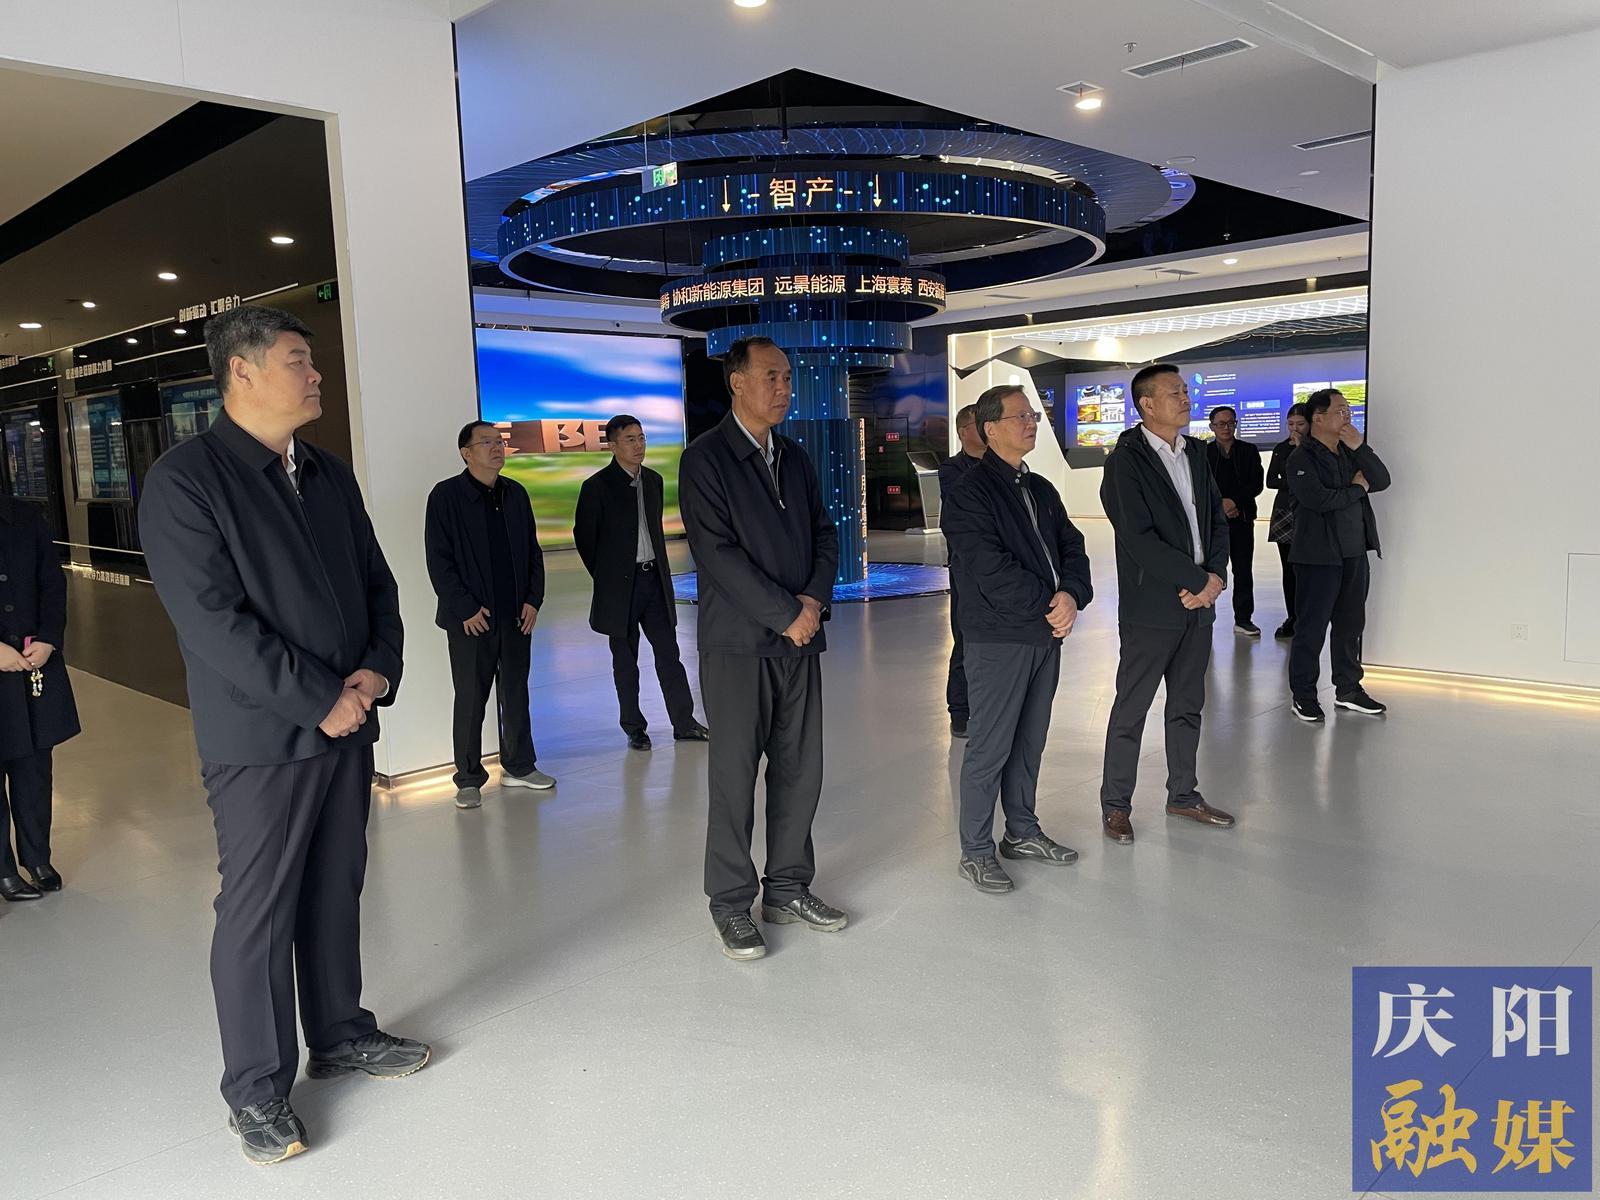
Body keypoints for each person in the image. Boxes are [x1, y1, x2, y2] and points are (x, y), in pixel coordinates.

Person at [139, 305, 429, 1166]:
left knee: (336, 885)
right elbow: (212, 623)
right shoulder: (187, 481)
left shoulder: (326, 473)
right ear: (242, 370)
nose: (315, 374)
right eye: (299, 360)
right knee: (259, 909)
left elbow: (377, 585)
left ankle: (339, 1032)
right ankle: (257, 1089)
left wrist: (375, 672)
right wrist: (317, 698)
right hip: (262, 737)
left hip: (348, 720)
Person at [678, 336, 844, 962]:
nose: (783, 388)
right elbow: (717, 554)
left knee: (802, 771)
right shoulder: (706, 459)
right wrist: (785, 614)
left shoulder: (794, 458)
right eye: (771, 376)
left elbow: (825, 534)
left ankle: (788, 888)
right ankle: (730, 903)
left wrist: (812, 602)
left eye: (788, 377)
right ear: (737, 382)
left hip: (800, 643)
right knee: (734, 777)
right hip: (739, 647)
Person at [941, 386, 1092, 893]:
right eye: (1020, 416)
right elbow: (989, 567)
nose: (1031, 423)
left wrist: (1072, 594)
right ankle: (976, 851)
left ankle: (1022, 831)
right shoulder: (969, 492)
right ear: (990, 429)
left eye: (1033, 416)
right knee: (989, 747)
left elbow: (1073, 545)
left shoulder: (1040, 487)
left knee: (1029, 742)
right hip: (1000, 637)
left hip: (1044, 634)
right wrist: (1051, 603)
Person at [1098, 363, 1237, 844]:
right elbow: (1138, 538)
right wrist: (1197, 579)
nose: (1185, 398)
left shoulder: (1195, 453)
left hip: (1199, 604)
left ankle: (1183, 794)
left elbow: (1216, 521)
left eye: (1184, 391)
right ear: (1147, 404)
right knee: (1132, 709)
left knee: (1187, 705)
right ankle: (1116, 805)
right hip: (1152, 607)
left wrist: (1213, 578)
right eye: (1175, 392)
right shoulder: (1125, 461)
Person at [424, 421, 554, 808]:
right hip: (471, 620)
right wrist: (464, 607)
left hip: (516, 615)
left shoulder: (516, 493)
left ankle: (519, 766)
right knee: (471, 698)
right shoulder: (446, 496)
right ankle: (467, 778)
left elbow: (533, 552)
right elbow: (439, 561)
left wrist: (533, 599)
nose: (497, 448)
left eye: (500, 442)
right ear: (466, 453)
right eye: (487, 443)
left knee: (515, 692)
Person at [574, 413, 707, 751]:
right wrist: (608, 578)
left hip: (655, 582)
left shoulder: (653, 481)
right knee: (625, 661)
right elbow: (585, 539)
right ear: (612, 445)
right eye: (630, 439)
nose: (638, 445)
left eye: (641, 438)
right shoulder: (596, 487)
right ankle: (634, 728)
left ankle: (684, 722)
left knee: (669, 655)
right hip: (620, 589)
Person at [1286, 388, 1392, 723]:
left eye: (1348, 410)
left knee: (1350, 625)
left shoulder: (1350, 452)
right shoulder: (1301, 459)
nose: (1347, 416)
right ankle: (1304, 695)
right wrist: (1357, 489)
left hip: (1354, 553)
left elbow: (1382, 480)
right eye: (1340, 411)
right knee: (1312, 627)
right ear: (1318, 418)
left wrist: (1360, 447)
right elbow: (1319, 501)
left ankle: (1348, 690)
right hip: (1318, 557)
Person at [0, 495, 80, 902]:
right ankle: (3, 869)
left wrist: (49, 638)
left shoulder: (26, 516)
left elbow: (52, 582)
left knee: (33, 767)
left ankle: (37, 857)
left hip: (33, 663)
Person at [938, 402, 984, 738]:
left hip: (999, 569)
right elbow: (967, 508)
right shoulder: (952, 469)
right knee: (965, 636)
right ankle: (960, 709)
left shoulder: (1005, 465)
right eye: (979, 423)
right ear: (964, 431)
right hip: (966, 568)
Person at [1205, 405, 1265, 636]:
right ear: (1212, 427)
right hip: (1212, 522)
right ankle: (1205, 618)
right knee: (1209, 571)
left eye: (1231, 423)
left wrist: (1233, 502)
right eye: (1221, 424)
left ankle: (1243, 619)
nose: (1226, 428)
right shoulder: (1204, 453)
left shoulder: (1248, 451)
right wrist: (1220, 505)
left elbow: (1256, 484)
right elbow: (1201, 486)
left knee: (1243, 571)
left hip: (1241, 518)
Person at [1265, 402, 1310, 640]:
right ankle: (1292, 615)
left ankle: (1309, 616)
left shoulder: (1316, 448)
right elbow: (1271, 480)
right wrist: (1297, 481)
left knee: (1309, 568)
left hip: (1310, 511)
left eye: (1300, 424)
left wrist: (1302, 450)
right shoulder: (1281, 448)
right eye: (1291, 424)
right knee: (1288, 567)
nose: (1295, 429)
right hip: (1285, 511)